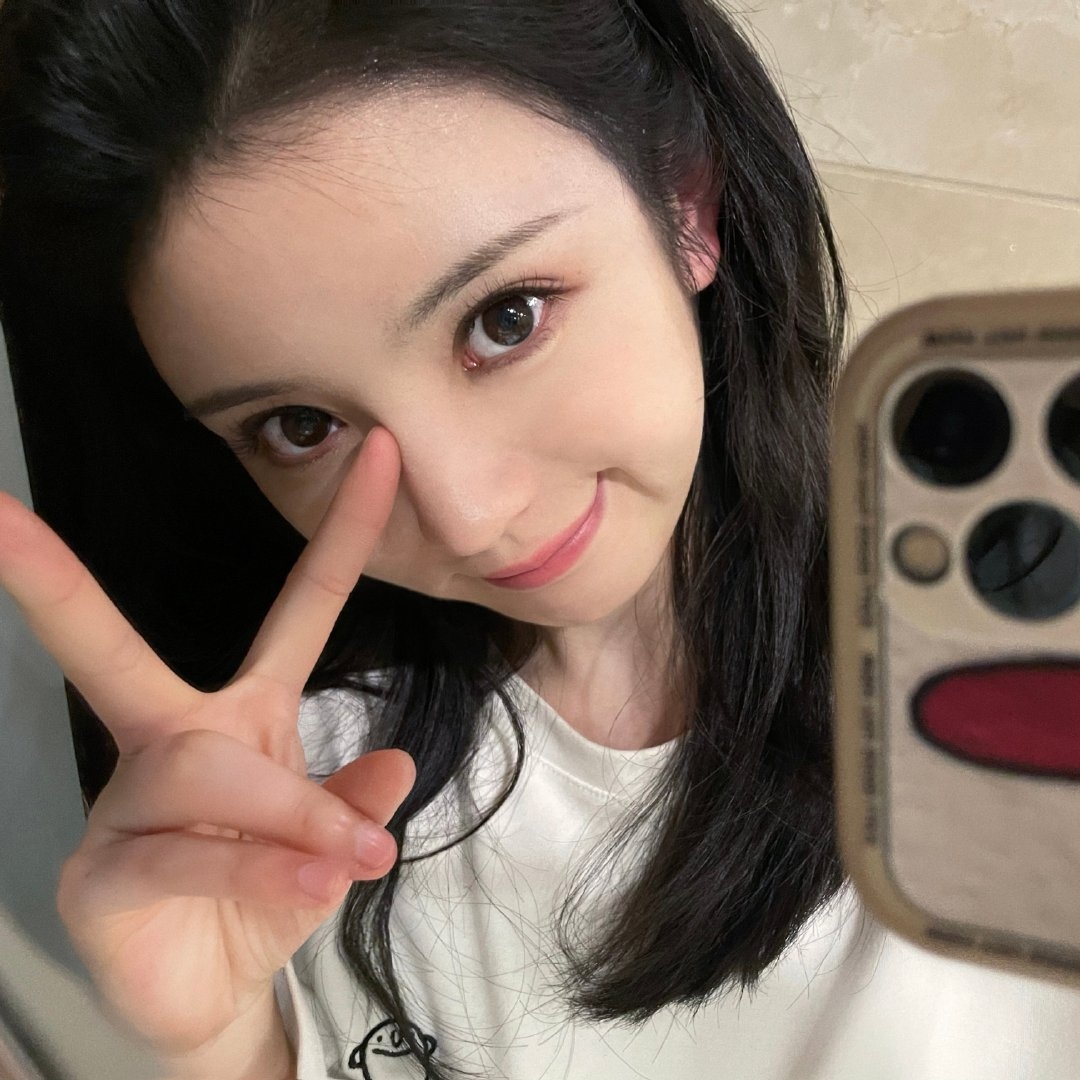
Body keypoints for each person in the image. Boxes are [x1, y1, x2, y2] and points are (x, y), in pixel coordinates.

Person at [1, 2, 1079, 1079]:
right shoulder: (309, 786)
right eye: (302, 426)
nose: (468, 516)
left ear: (686, 200)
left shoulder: (1019, 679)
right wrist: (223, 1049)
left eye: (505, 318)